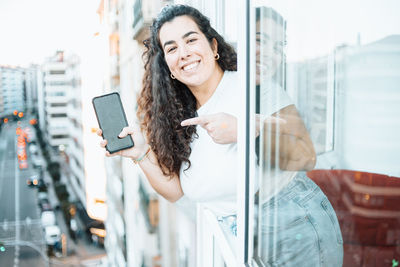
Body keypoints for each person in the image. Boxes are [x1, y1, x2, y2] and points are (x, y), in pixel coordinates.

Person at [96, 4, 342, 266]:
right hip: (244, 245)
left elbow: (305, 156)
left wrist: (245, 131)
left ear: (213, 47)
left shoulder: (252, 89)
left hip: (295, 229)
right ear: (167, 65)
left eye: (191, 39)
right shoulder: (177, 118)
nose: (184, 53)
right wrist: (141, 153)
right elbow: (179, 192)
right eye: (172, 48)